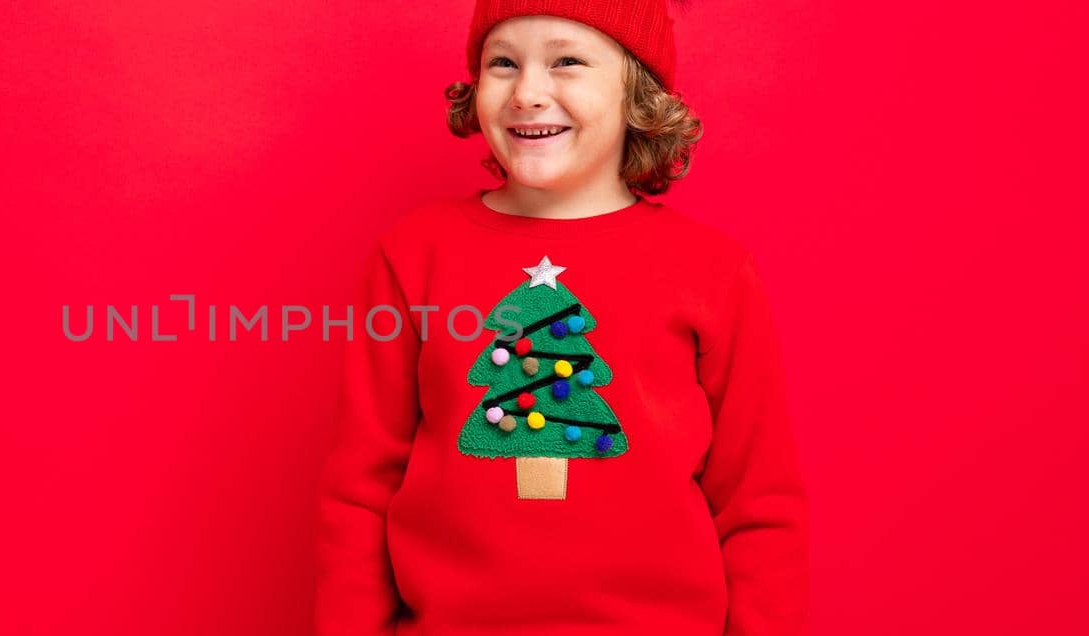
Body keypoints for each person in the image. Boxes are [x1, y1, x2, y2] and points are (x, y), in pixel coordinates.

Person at [312, 1, 809, 634]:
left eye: (566, 61)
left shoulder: (713, 269)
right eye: (503, 63)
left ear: (638, 93)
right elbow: (359, 489)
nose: (527, 92)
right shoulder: (412, 255)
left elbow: (758, 502)